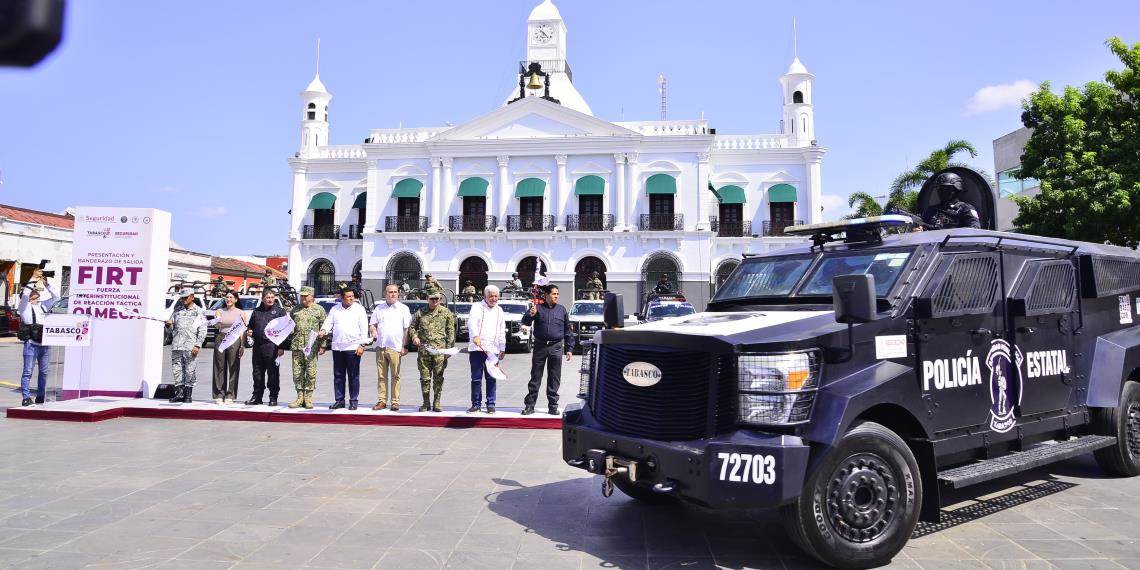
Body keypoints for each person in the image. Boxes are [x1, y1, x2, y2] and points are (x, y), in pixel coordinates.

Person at [521, 285, 574, 415]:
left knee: (554, 377)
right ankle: (530, 405)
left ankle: (553, 405)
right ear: (546, 295)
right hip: (540, 346)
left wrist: (569, 348)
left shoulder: (562, 310)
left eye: (557, 294)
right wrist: (530, 315)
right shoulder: (537, 308)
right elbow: (525, 322)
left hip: (556, 347)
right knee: (535, 376)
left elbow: (567, 330)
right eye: (554, 294)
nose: (556, 296)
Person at [319, 288, 370, 410]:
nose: (351, 298)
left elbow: (364, 328)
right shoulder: (335, 309)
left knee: (353, 375)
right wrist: (324, 330)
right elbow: (328, 323)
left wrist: (362, 345)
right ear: (342, 297)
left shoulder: (359, 309)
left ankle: (353, 401)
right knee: (338, 375)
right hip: (338, 347)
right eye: (348, 296)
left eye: (352, 296)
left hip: (353, 347)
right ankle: (339, 400)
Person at [408, 292, 456, 412]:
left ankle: (437, 402)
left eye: (437, 299)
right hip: (424, 351)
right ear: (427, 299)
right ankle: (425, 403)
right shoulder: (420, 312)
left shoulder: (446, 313)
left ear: (440, 299)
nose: (434, 301)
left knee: (438, 378)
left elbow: (451, 331)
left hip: (440, 351)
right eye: (432, 299)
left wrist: (449, 350)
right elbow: (412, 327)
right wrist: (414, 337)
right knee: (425, 378)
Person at [17, 275, 59, 407]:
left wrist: (47, 284)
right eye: (34, 294)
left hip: (44, 344)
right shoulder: (24, 307)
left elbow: (56, 297)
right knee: (28, 371)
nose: (37, 294)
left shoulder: (42, 306)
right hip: (31, 344)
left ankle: (40, 396)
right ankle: (26, 397)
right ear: (30, 297)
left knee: (44, 372)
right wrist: (33, 279)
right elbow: (25, 295)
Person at [369, 284, 411, 411]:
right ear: (385, 294)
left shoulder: (403, 308)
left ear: (398, 294)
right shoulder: (379, 309)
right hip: (381, 346)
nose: (393, 294)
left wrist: (405, 346)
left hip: (395, 347)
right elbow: (372, 324)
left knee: (395, 376)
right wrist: (373, 331)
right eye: (390, 292)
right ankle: (382, 401)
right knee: (381, 375)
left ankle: (395, 401)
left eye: (395, 292)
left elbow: (407, 329)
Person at [467, 285, 506, 414]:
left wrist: (502, 347)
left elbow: (501, 330)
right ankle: (476, 404)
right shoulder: (477, 307)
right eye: (491, 296)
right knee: (476, 378)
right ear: (485, 296)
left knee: (491, 377)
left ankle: (491, 403)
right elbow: (472, 322)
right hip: (478, 348)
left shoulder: (500, 310)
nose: (493, 299)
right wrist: (475, 335)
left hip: (492, 350)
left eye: (496, 296)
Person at [245, 290, 287, 406]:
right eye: (268, 297)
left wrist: (281, 347)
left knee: (273, 373)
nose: (270, 299)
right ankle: (257, 396)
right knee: (257, 372)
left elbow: (284, 330)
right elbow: (251, 326)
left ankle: (273, 397)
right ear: (263, 298)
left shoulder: (280, 311)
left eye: (272, 297)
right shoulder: (256, 311)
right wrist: (249, 331)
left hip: (272, 346)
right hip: (258, 346)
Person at [288, 286, 326, 409]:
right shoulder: (295, 310)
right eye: (301, 295)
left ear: (311, 296)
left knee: (311, 372)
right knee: (297, 372)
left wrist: (323, 345)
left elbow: (324, 328)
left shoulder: (319, 310)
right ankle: (300, 397)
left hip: (312, 346)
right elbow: (289, 327)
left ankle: (308, 397)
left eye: (305, 296)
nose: (303, 298)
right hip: (297, 346)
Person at [167, 289, 207, 403]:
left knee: (190, 370)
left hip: (190, 345)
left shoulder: (199, 311)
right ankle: (179, 393)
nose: (183, 300)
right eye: (182, 298)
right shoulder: (177, 311)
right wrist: (168, 325)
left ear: (192, 297)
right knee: (177, 369)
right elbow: (172, 329)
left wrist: (198, 345)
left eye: (185, 297)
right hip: (177, 345)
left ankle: (188, 395)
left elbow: (203, 330)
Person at [211, 290, 247, 404]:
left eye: (231, 297)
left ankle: (230, 394)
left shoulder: (241, 312)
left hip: (234, 339)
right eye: (227, 297)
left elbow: (242, 330)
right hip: (221, 338)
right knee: (219, 367)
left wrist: (242, 345)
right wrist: (216, 320)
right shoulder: (219, 311)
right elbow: (217, 326)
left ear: (236, 299)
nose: (228, 299)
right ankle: (219, 394)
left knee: (233, 367)